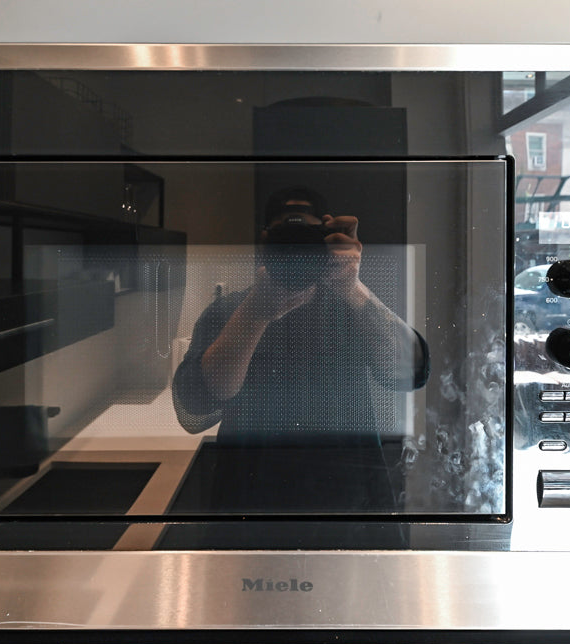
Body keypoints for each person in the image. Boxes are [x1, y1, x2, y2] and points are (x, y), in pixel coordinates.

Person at [170, 187, 429, 512]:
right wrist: (255, 313)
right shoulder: (231, 311)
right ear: (266, 243)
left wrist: (352, 287)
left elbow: (411, 373)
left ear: (328, 242)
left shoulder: (352, 306)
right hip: (257, 500)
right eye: (286, 238)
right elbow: (194, 408)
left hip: (338, 500)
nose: (295, 250)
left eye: (306, 239)